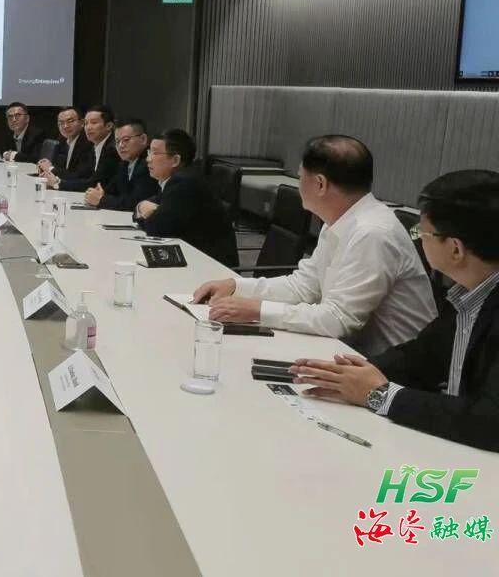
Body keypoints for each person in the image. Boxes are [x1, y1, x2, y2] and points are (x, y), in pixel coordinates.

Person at [291, 170, 499, 452]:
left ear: (455, 249)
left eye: (422, 233)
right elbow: (421, 357)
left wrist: (380, 396)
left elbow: (490, 421)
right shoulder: (469, 293)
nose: (419, 240)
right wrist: (351, 375)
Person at [193, 135, 435, 356]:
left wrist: (257, 310)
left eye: (300, 176)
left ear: (320, 184)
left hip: (393, 371)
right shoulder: (339, 220)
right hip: (351, 353)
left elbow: (339, 320)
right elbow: (304, 287)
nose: (298, 184)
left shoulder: (373, 233)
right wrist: (236, 286)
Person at [134, 128, 238, 267]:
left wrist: (144, 213)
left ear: (175, 160)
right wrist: (142, 208)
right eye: (149, 152)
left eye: (155, 153)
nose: (148, 159)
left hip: (211, 266)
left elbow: (157, 229)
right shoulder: (177, 179)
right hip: (194, 257)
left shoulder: (184, 182)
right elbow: (150, 208)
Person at [41, 104, 120, 192]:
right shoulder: (95, 146)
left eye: (94, 123)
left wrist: (58, 183)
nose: (88, 127)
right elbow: (81, 175)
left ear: (109, 126)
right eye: (86, 123)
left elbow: (95, 183)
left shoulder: (112, 149)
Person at [85, 119, 158, 212]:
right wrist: (99, 194)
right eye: (117, 141)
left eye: (126, 140)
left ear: (143, 139)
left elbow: (136, 203)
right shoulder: (124, 163)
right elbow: (111, 191)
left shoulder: (149, 163)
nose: (120, 145)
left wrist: (102, 200)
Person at [36, 107, 91, 181]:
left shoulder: (87, 144)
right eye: (61, 123)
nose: (65, 126)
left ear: (82, 123)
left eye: (70, 121)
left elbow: (78, 176)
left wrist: (50, 168)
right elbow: (60, 169)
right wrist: (46, 168)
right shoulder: (62, 142)